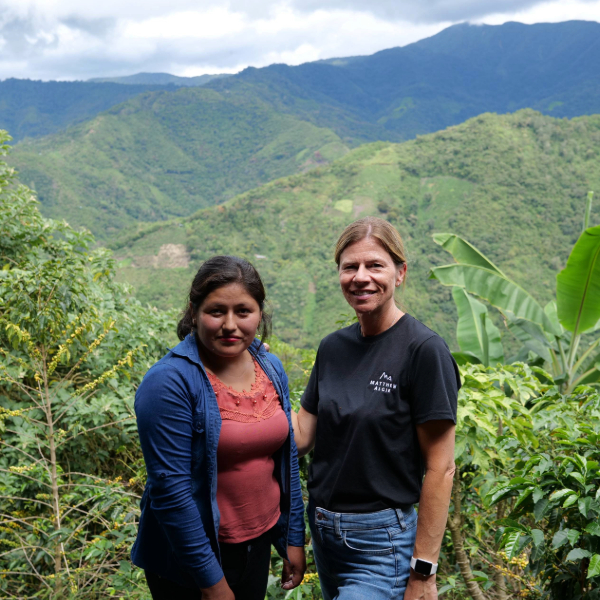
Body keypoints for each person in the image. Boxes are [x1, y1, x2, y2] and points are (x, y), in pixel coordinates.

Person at [292, 217, 460, 600]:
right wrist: (249, 378)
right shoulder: (332, 347)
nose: (361, 277)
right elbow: (302, 434)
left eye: (375, 265)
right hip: (323, 530)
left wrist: (424, 572)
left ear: (400, 273)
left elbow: (441, 466)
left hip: (381, 541)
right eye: (350, 267)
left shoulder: (423, 351)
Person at [131, 255, 306, 600]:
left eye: (243, 311)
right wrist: (212, 584)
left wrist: (293, 538)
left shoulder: (269, 366)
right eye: (216, 311)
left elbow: (286, 461)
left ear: (259, 313)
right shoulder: (169, 383)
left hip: (257, 545)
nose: (230, 324)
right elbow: (171, 493)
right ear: (194, 313)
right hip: (191, 560)